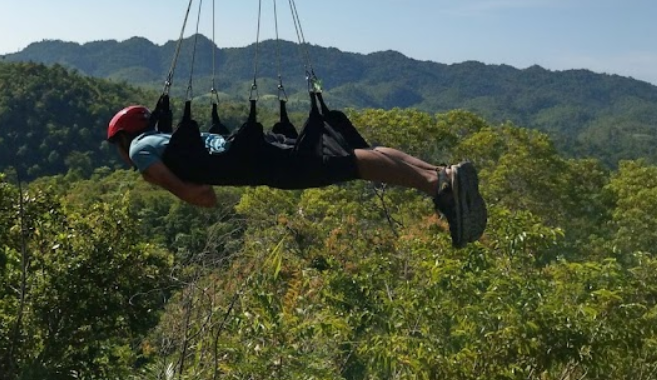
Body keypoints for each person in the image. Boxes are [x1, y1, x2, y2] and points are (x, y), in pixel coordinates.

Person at [106, 105, 487, 248]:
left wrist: (159, 181)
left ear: (122, 139)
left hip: (253, 162)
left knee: (346, 163)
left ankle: (440, 184)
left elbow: (201, 195)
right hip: (251, 148)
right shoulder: (163, 137)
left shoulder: (142, 150)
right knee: (351, 156)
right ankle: (439, 174)